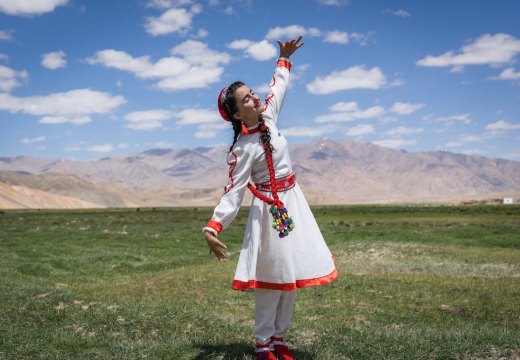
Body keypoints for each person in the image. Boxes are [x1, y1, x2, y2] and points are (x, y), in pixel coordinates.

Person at [203, 36, 338, 360]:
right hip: (267, 213)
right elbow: (233, 191)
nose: (254, 99)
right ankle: (263, 343)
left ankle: (280, 338)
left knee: (289, 276)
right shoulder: (242, 149)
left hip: (294, 206)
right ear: (237, 114)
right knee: (270, 279)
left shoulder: (269, 117)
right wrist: (214, 227)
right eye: (246, 100)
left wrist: (283, 59)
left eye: (252, 93)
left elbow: (278, 87)